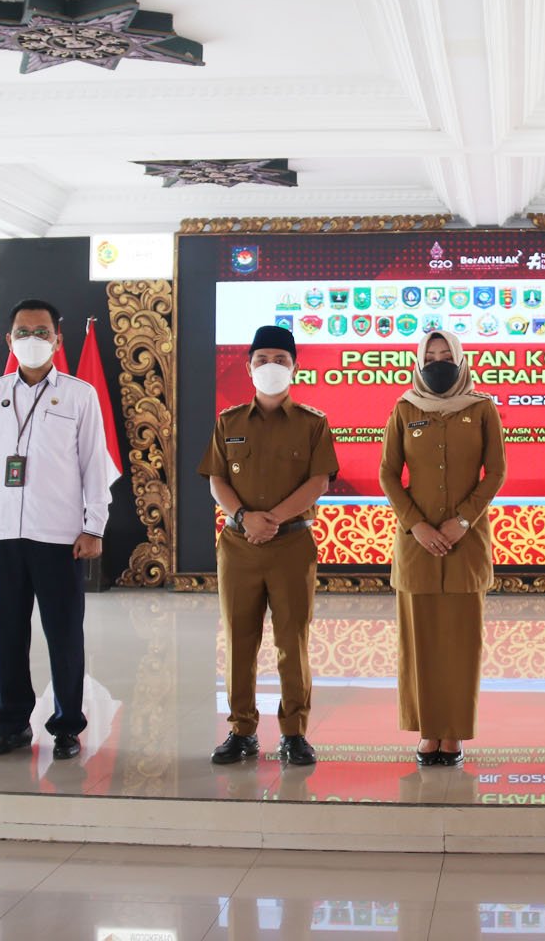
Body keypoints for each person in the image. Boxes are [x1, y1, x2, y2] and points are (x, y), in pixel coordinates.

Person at [0, 299, 111, 761]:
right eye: (23, 331)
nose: (32, 339)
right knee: (8, 635)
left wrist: (94, 526)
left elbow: (94, 466)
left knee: (64, 635)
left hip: (60, 536)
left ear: (57, 340)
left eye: (42, 331)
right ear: (8, 340)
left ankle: (67, 726)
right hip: (4, 534)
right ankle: (10, 725)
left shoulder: (78, 394)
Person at [200, 325, 339, 766]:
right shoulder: (229, 421)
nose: (270, 367)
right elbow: (217, 480)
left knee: (291, 641)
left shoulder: (313, 423)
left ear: (295, 367)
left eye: (280, 359)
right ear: (248, 368)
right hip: (239, 545)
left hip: (291, 544)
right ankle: (241, 730)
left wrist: (273, 519)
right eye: (262, 360)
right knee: (240, 639)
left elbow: (318, 481)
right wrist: (245, 518)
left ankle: (294, 733)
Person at [379, 330, 506, 766]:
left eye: (445, 355)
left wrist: (462, 521)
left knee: (461, 643)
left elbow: (495, 474)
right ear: (418, 360)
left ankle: (454, 733)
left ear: (460, 359)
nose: (437, 362)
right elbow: (389, 475)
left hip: (466, 543)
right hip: (416, 544)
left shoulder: (482, 407)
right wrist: (416, 525)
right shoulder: (404, 407)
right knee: (420, 643)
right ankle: (429, 732)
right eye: (430, 356)